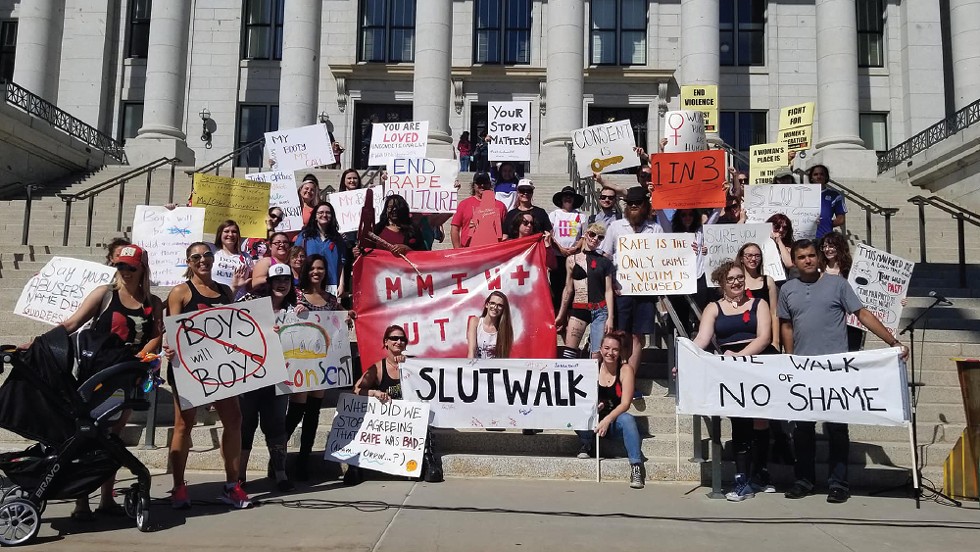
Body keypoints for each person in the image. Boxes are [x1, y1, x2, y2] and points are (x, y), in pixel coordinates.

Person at [779, 239, 909, 504]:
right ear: (794, 260)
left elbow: (862, 314)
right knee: (803, 429)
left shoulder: (837, 284)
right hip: (804, 369)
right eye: (802, 256)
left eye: (811, 255)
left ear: (818, 258)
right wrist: (790, 358)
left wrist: (893, 342)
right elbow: (787, 326)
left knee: (837, 427)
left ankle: (838, 482)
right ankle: (804, 479)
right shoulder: (787, 290)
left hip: (836, 369)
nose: (808, 260)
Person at [58, 244, 163, 520]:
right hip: (96, 376)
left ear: (142, 268)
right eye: (121, 266)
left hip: (126, 378)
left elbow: (157, 334)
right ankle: (81, 501)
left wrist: (143, 354)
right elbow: (72, 323)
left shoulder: (153, 301)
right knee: (87, 434)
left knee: (113, 438)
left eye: (131, 267)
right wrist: (38, 342)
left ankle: (106, 498)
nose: (126, 272)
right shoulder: (105, 294)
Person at [164, 242, 251, 509]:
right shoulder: (180, 292)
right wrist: (169, 347)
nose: (203, 260)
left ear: (213, 260)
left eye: (207, 255)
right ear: (188, 263)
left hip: (220, 368)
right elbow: (172, 329)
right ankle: (178, 487)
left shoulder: (224, 290)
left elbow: (233, 327)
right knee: (183, 426)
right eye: (196, 257)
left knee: (234, 420)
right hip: (189, 369)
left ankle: (231, 485)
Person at [691, 260, 777, 501]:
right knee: (740, 420)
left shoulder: (758, 303)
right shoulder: (713, 307)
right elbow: (702, 339)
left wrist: (739, 356)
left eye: (740, 277)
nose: (737, 282)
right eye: (731, 279)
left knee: (761, 420)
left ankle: (760, 473)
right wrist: (687, 358)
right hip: (731, 369)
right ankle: (742, 479)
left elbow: (764, 337)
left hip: (758, 362)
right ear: (721, 283)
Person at [351, 325, 443, 484]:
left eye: (402, 339)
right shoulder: (378, 368)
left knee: (424, 421)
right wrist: (374, 393)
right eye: (394, 338)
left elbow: (430, 388)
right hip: (386, 421)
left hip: (409, 420)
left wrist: (408, 366)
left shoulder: (414, 364)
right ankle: (354, 466)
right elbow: (357, 389)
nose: (399, 341)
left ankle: (428, 461)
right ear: (386, 342)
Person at [284, 254, 347, 480]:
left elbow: (340, 318)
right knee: (296, 410)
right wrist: (294, 312)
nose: (316, 272)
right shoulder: (296, 294)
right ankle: (278, 455)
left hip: (322, 362)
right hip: (300, 361)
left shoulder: (330, 299)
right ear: (306, 270)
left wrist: (347, 316)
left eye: (320, 268)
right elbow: (283, 320)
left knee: (313, 412)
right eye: (312, 268)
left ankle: (304, 459)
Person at [235, 263, 294, 491]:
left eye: (286, 280)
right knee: (245, 426)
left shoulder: (296, 310)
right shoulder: (252, 304)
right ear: (268, 283)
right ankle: (239, 476)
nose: (282, 284)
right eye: (277, 280)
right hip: (249, 377)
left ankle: (281, 474)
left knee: (277, 426)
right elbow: (226, 317)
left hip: (279, 380)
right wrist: (236, 288)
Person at [599, 186, 663, 369]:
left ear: (645, 205)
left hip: (645, 291)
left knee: (637, 336)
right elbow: (606, 256)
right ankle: (615, 374)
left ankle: (629, 379)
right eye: (630, 203)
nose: (634, 206)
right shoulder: (616, 227)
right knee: (620, 333)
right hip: (621, 290)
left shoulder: (655, 229)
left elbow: (664, 258)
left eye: (638, 203)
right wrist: (610, 282)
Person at [575, 330, 644, 489]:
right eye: (606, 348)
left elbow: (625, 403)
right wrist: (594, 406)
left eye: (615, 350)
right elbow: (580, 398)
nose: (610, 353)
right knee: (577, 413)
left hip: (614, 421)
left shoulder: (625, 370)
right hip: (593, 420)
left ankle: (636, 466)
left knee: (628, 419)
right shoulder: (592, 368)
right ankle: (586, 443)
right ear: (600, 348)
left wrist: (607, 419)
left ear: (620, 352)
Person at [555, 223, 614, 357]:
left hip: (600, 310)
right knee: (569, 352)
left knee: (596, 355)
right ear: (586, 235)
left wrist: (610, 317)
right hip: (579, 308)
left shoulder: (604, 262)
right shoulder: (571, 260)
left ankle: (594, 375)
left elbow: (608, 290)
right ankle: (569, 377)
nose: (595, 239)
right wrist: (561, 315)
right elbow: (568, 289)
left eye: (600, 237)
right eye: (592, 235)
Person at [818, 232, 865, 352]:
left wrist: (898, 302)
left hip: (850, 324)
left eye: (831, 246)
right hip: (826, 323)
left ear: (840, 247)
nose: (827, 249)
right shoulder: (818, 270)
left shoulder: (852, 271)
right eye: (825, 246)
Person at [294, 202, 346, 296]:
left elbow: (341, 264)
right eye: (321, 212)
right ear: (315, 216)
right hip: (309, 283)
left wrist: (341, 284)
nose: (324, 215)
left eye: (328, 213)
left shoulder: (337, 238)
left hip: (331, 285)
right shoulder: (305, 236)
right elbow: (295, 259)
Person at [549, 186, 586, 313]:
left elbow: (584, 235)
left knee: (572, 287)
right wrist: (560, 249)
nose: (568, 198)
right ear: (561, 199)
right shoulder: (554, 215)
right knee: (557, 287)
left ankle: (570, 315)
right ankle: (558, 316)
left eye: (571, 196)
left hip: (574, 257)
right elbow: (550, 235)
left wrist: (576, 248)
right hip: (557, 256)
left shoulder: (581, 216)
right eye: (566, 196)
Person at [737, 242, 779, 349]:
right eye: (749, 255)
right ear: (742, 258)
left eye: (757, 256)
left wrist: (776, 341)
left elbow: (774, 313)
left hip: (765, 335)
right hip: (743, 336)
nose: (753, 259)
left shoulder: (768, 281)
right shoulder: (736, 282)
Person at [450, 172, 506, 248]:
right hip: (470, 250)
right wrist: (457, 250)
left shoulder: (500, 206)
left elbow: (504, 232)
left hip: (492, 251)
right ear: (474, 185)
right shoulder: (464, 204)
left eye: (485, 182)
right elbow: (455, 228)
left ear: (490, 184)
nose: (482, 185)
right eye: (479, 183)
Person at [466, 291, 514, 359]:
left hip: (495, 368)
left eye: (500, 305)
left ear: (503, 309)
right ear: (487, 305)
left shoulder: (506, 329)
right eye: (492, 303)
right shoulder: (475, 322)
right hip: (477, 367)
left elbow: (504, 357)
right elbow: (471, 351)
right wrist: (469, 367)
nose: (495, 307)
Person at [211, 220, 251, 293]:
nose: (230, 234)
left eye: (234, 232)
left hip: (237, 301)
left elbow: (251, 279)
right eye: (226, 231)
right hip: (214, 299)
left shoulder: (246, 257)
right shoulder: (212, 251)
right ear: (220, 234)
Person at [807, 164, 846, 239]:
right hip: (805, 237)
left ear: (826, 177)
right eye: (815, 174)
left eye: (822, 174)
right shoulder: (803, 193)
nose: (818, 177)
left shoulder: (835, 195)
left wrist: (826, 223)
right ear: (811, 178)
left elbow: (841, 219)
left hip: (824, 237)